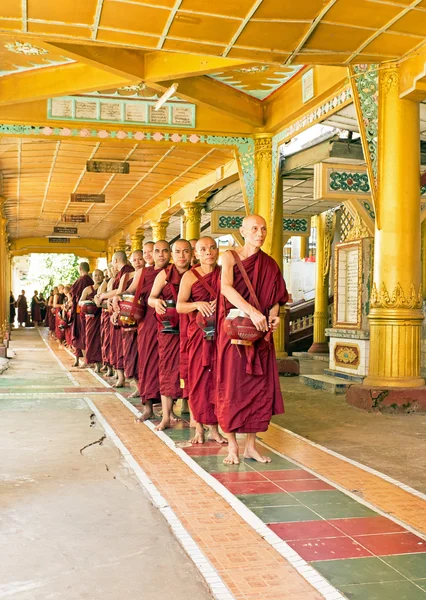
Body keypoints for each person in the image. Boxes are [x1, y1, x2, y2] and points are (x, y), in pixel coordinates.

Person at [216, 215, 288, 465]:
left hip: (260, 335)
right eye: (255, 228)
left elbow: (277, 298)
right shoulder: (228, 257)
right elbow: (226, 288)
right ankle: (232, 447)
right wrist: (253, 312)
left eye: (264, 229)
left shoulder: (269, 264)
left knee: (258, 390)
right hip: (234, 334)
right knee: (232, 387)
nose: (260, 233)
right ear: (242, 231)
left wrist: (275, 317)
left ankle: (251, 447)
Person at [177, 236, 226, 444]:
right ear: (196, 254)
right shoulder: (190, 275)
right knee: (198, 381)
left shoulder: (224, 274)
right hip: (198, 335)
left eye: (212, 248)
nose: (209, 252)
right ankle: (198, 427)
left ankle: (214, 429)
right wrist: (198, 304)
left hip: (221, 335)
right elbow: (180, 305)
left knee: (217, 381)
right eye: (203, 249)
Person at [149, 239, 192, 431]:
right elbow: (151, 297)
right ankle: (166, 417)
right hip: (169, 330)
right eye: (178, 252)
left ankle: (195, 417)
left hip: (191, 331)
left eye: (185, 252)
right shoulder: (164, 275)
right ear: (172, 256)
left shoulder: (197, 274)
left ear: (191, 254)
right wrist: (156, 303)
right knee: (167, 372)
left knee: (193, 372)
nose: (182, 256)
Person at [126, 240, 170, 421]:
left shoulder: (173, 272)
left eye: (158, 251)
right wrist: (115, 300)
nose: (154, 254)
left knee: (168, 365)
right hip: (147, 323)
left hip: (169, 323)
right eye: (151, 252)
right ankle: (148, 408)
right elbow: (132, 295)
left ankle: (169, 410)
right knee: (147, 365)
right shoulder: (143, 272)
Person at [96, 251, 133, 387]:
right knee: (116, 345)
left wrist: (103, 296)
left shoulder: (127, 273)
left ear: (116, 260)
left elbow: (120, 292)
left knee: (123, 347)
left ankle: (124, 378)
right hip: (115, 312)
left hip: (124, 313)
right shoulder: (120, 274)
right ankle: (120, 376)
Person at [112, 250, 145, 394]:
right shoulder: (127, 276)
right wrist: (115, 309)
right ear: (130, 261)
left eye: (140, 259)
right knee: (131, 354)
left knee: (145, 356)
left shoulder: (150, 273)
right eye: (135, 259)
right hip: (129, 319)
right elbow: (123, 294)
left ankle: (146, 389)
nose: (137, 262)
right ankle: (139, 386)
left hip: (146, 318)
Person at [80, 269, 104, 372]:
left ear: (103, 276)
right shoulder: (87, 289)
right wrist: (91, 301)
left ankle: (103, 364)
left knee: (102, 340)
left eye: (99, 275)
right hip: (91, 318)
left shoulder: (105, 287)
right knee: (91, 339)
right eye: (95, 275)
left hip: (102, 316)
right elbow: (80, 302)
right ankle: (92, 362)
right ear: (92, 277)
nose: (97, 277)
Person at [70, 262, 94, 367]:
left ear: (80, 268)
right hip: (90, 310)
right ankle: (82, 359)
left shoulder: (81, 280)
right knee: (84, 334)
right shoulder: (90, 280)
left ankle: (85, 360)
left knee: (81, 335)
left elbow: (74, 296)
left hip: (80, 311)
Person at [98, 264, 116, 376]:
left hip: (115, 312)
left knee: (113, 342)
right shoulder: (108, 281)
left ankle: (115, 369)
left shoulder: (121, 278)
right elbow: (99, 296)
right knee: (106, 340)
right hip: (106, 314)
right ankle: (109, 366)